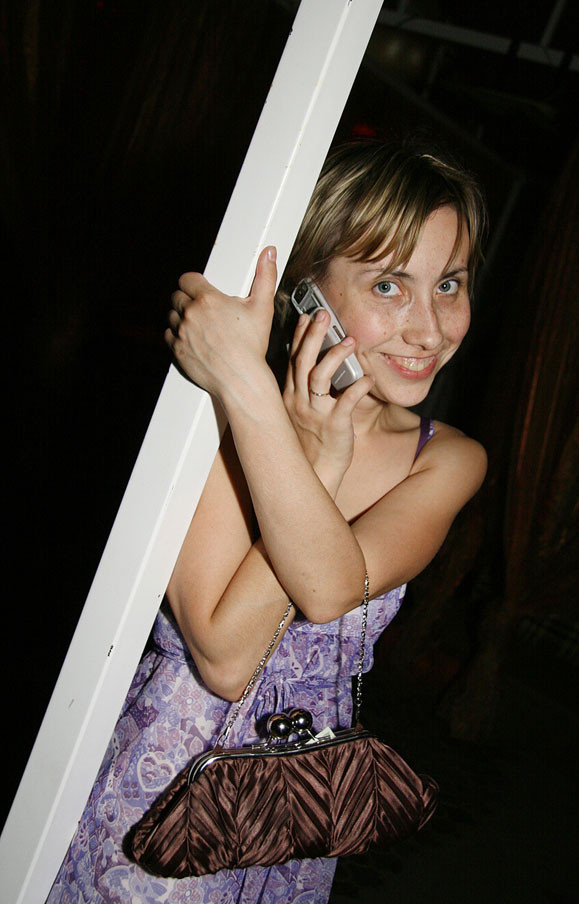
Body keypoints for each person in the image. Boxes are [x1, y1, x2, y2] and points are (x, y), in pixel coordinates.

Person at [46, 138, 487, 903]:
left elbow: (330, 586)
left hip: (298, 806)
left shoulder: (445, 458)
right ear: (306, 291)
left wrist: (249, 388)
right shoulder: (211, 420)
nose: (428, 328)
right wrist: (270, 417)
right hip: (163, 787)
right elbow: (224, 656)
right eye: (389, 285)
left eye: (448, 283)